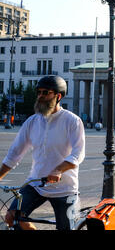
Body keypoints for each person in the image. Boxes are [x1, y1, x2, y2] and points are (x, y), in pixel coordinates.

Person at [0, 75, 85, 230]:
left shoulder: (72, 121)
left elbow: (78, 153)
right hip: (36, 184)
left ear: (58, 96)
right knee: (12, 217)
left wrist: (58, 170)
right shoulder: (32, 122)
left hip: (64, 189)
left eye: (45, 92)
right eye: (38, 92)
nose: (40, 96)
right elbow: (14, 154)